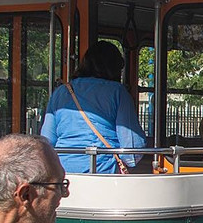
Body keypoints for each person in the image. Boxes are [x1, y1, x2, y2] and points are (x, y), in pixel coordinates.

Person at [41, 41, 146, 174]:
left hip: (64, 173)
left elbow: (46, 141)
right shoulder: (117, 92)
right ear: (115, 68)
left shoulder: (62, 91)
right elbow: (131, 149)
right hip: (103, 171)